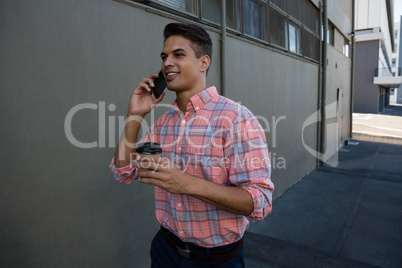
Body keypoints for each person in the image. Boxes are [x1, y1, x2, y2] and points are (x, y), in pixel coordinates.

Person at [110, 23, 274, 267]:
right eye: (164, 56)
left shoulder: (235, 118)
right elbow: (123, 172)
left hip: (215, 261)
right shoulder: (163, 124)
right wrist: (135, 115)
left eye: (178, 54)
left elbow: (259, 202)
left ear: (203, 62)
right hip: (165, 250)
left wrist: (186, 184)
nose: (167, 63)